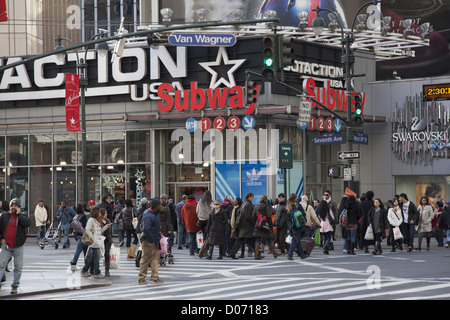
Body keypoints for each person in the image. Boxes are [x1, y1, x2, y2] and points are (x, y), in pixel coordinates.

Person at [0, 198, 31, 294]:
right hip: (6, 245)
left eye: (16, 206)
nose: (13, 207)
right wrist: (1, 238)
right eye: (12, 206)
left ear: (19, 207)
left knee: (18, 267)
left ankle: (15, 285)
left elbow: (27, 224)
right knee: (1, 265)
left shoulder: (22, 217)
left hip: (18, 245)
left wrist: (19, 214)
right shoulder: (5, 216)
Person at [138, 198, 164, 285]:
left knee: (155, 259)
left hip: (153, 239)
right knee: (146, 259)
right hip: (149, 240)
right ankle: (141, 278)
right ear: (156, 206)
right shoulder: (149, 215)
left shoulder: (152, 214)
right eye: (159, 205)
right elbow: (146, 229)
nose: (161, 206)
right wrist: (152, 239)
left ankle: (154, 277)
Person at [81, 207, 109, 279]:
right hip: (94, 242)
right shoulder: (91, 220)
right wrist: (93, 238)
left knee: (94, 257)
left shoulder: (97, 220)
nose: (100, 213)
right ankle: (97, 272)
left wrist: (106, 227)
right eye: (99, 212)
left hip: (97, 241)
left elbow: (99, 231)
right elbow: (87, 229)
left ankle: (84, 270)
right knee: (96, 257)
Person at [230, 193, 255, 259]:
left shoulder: (244, 204)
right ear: (249, 197)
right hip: (246, 226)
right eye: (252, 197)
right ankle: (232, 253)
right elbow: (247, 216)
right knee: (241, 240)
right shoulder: (248, 204)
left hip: (242, 225)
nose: (252, 199)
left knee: (250, 240)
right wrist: (253, 221)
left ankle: (258, 253)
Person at [252, 195, 277, 260]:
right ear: (266, 200)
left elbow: (253, 216)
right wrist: (270, 225)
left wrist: (256, 222)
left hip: (258, 224)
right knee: (269, 239)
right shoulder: (267, 207)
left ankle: (256, 255)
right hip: (265, 225)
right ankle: (274, 253)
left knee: (257, 240)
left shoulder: (256, 206)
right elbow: (269, 216)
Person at [286, 193, 306, 260]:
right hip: (298, 225)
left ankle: (302, 255)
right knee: (295, 240)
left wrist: (289, 227)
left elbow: (288, 218)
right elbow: (303, 214)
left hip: (292, 225)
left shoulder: (288, 206)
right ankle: (290, 254)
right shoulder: (298, 205)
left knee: (297, 240)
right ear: (295, 198)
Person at [70, 204, 89, 270]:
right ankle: (73, 263)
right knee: (79, 250)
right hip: (82, 235)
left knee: (84, 249)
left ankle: (86, 265)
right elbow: (85, 226)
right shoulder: (83, 216)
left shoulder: (76, 216)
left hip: (76, 235)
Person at [99, 207, 113, 276]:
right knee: (97, 255)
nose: (106, 214)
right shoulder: (98, 221)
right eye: (105, 213)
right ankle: (94, 269)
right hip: (100, 239)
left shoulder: (108, 220)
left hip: (107, 240)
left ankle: (107, 270)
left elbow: (110, 232)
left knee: (107, 254)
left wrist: (111, 239)